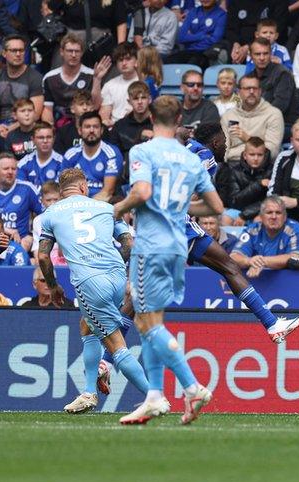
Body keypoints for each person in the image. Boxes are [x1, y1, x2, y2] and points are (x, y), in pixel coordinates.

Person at [111, 95, 224, 425]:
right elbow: (216, 207)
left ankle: (192, 386)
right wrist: (179, 209)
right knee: (151, 320)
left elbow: (142, 193)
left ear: (149, 119)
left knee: (147, 322)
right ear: (179, 122)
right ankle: (155, 396)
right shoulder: (190, 159)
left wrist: (118, 208)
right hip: (179, 247)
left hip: (151, 245)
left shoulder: (143, 152)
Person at [36, 168, 151, 414]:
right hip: (117, 277)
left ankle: (154, 397)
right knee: (87, 324)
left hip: (90, 282)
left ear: (61, 190)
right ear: (84, 187)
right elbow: (129, 245)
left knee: (116, 346)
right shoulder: (108, 208)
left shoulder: (50, 214)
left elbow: (44, 257)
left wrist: (54, 286)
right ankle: (89, 391)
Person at [230, 197, 299, 277]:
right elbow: (233, 257)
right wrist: (249, 261)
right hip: (258, 280)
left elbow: (295, 258)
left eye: (278, 213)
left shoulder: (296, 230)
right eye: (269, 212)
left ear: (285, 216)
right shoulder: (252, 230)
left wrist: (261, 262)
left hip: (292, 280)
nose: (274, 217)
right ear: (261, 217)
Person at [42, 34, 107, 126]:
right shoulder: (50, 77)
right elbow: (48, 109)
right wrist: (49, 130)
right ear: (61, 52)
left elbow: (96, 106)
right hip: (60, 125)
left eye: (77, 51)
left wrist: (97, 80)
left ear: (82, 53)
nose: (73, 55)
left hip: (86, 123)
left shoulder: (92, 75)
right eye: (69, 51)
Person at [221, 74, 285, 162]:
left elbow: (271, 152)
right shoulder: (228, 116)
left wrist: (248, 139)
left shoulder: (273, 114)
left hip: (262, 168)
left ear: (260, 91)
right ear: (238, 92)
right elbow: (222, 152)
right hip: (232, 167)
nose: (251, 92)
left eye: (255, 88)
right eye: (247, 88)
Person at [62, 111, 122, 201]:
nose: (91, 130)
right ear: (80, 130)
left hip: (103, 205)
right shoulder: (71, 155)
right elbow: (64, 189)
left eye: (95, 127)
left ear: (101, 130)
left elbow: (107, 191)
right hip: (75, 204)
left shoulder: (112, 153)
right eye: (87, 127)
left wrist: (88, 207)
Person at [0, 153, 45, 252]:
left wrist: (33, 236)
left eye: (14, 169)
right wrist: (6, 229)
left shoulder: (27, 189)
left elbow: (45, 215)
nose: (10, 172)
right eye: (6, 169)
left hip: (19, 243)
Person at [250, 37, 299, 124]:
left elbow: (279, 106)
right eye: (258, 54)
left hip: (287, 124)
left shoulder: (283, 74)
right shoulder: (250, 77)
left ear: (271, 54)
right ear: (251, 56)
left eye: (265, 54)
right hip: (261, 123)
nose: (262, 58)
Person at [223, 137, 272, 221]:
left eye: (260, 155)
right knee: (225, 218)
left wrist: (244, 215)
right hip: (238, 210)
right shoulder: (235, 171)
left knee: (259, 220)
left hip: (260, 212)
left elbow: (270, 202)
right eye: (252, 154)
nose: (256, 158)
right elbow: (234, 202)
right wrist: (258, 185)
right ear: (245, 155)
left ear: (264, 155)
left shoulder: (272, 171)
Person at [169, 0, 227, 68]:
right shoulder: (193, 12)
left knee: (192, 65)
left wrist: (191, 38)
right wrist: (202, 36)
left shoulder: (221, 14)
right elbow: (181, 37)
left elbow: (215, 39)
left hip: (206, 53)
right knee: (168, 62)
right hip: (188, 51)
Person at [0, 35, 44, 123]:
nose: (18, 54)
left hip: (24, 126)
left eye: (21, 50)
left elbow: (35, 115)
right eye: (13, 51)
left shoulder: (35, 77)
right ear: (4, 53)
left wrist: (9, 129)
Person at [107, 82, 153, 158]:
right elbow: (113, 154)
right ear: (129, 102)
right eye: (135, 99)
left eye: (143, 98)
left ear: (150, 99)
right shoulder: (120, 126)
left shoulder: (158, 124)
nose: (140, 102)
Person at [18, 123, 64, 190]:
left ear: (54, 139)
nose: (45, 141)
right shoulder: (23, 164)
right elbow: (21, 191)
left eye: (49, 137)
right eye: (41, 138)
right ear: (33, 140)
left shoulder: (62, 163)